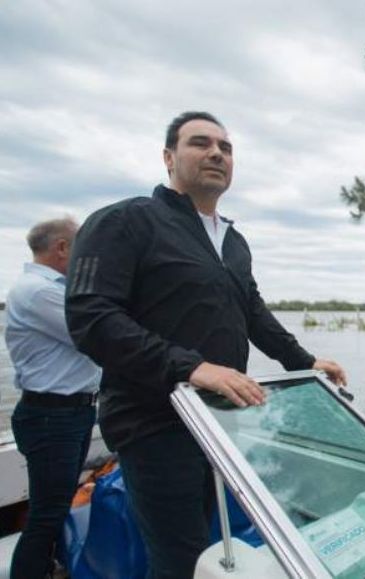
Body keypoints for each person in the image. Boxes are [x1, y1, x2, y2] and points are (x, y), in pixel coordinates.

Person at [65, 111, 346, 579]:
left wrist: (305, 360)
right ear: (169, 157)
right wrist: (191, 368)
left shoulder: (233, 240)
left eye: (226, 147)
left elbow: (251, 311)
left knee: (207, 548)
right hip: (152, 420)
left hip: (219, 422)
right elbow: (91, 318)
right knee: (181, 558)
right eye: (201, 143)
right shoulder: (124, 221)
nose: (217, 152)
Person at [5, 217, 101, 579]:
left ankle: (51, 569)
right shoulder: (39, 291)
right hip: (53, 417)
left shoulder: (49, 289)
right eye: (83, 247)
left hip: (68, 414)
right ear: (63, 249)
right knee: (47, 514)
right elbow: (94, 333)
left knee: (55, 508)